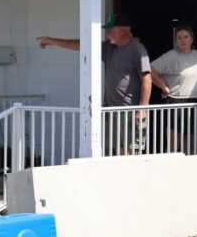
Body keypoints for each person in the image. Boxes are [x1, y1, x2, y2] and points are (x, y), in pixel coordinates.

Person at [37, 14, 151, 153]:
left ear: (122, 31)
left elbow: (147, 79)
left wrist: (142, 109)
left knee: (133, 154)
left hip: (131, 112)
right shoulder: (109, 47)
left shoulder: (137, 49)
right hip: (113, 111)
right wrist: (54, 41)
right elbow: (82, 45)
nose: (107, 33)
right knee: (119, 154)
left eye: (111, 30)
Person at [150, 24, 197, 153]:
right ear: (176, 41)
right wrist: (164, 87)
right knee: (174, 145)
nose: (183, 40)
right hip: (176, 102)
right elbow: (151, 70)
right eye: (179, 38)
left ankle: (190, 172)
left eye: (185, 37)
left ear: (192, 39)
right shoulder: (170, 56)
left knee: (191, 145)